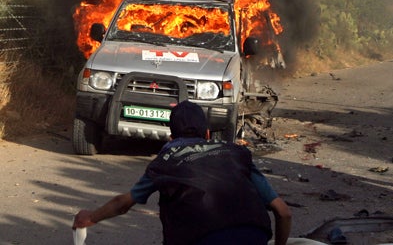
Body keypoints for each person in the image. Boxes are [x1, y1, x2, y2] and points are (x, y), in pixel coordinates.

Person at [72, 100, 292, 245]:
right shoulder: (236, 154)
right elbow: (283, 212)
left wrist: (91, 217)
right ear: (207, 133)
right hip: (254, 235)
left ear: (171, 137)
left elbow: (123, 204)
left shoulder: (165, 161)